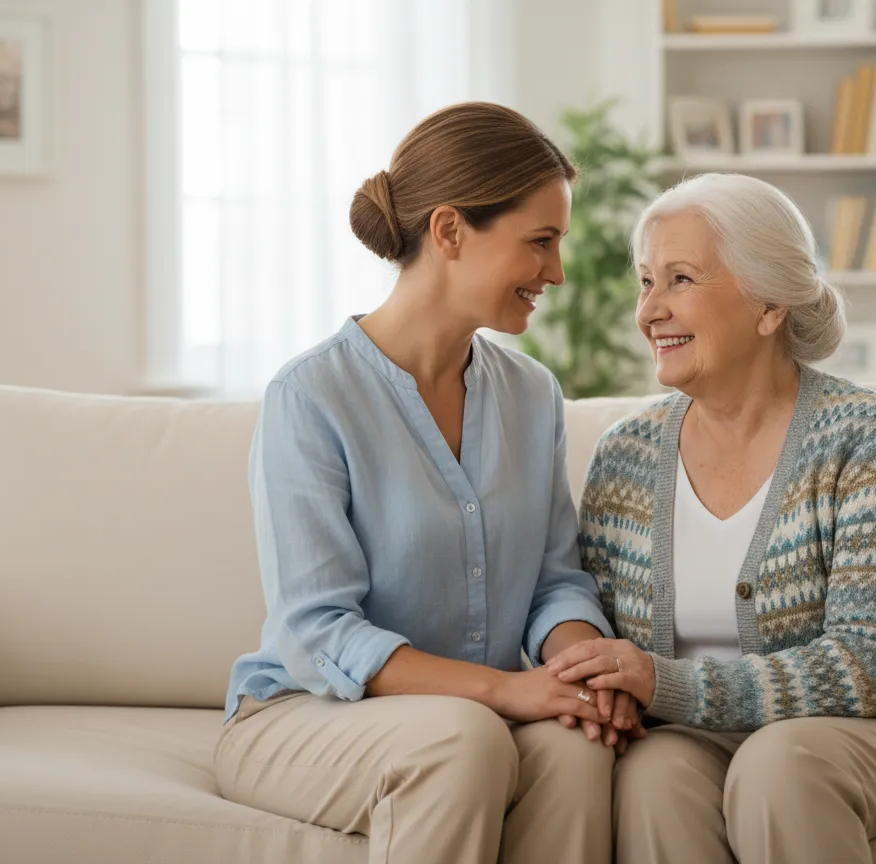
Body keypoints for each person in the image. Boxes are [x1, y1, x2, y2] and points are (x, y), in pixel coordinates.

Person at [214, 102, 636, 864]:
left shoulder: (533, 393)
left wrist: (580, 671)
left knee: (577, 747)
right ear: (449, 232)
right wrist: (506, 690)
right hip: (305, 716)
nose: (557, 272)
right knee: (464, 737)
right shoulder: (311, 397)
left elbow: (554, 581)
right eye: (539, 242)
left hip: (462, 721)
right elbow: (319, 632)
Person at [548, 172, 876, 864]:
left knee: (778, 766)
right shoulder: (626, 455)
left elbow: (875, 665)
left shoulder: (868, 436)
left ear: (768, 305)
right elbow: (603, 629)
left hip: (873, 726)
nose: (650, 311)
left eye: (681, 280)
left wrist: (665, 684)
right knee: (651, 778)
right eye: (646, 282)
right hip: (691, 732)